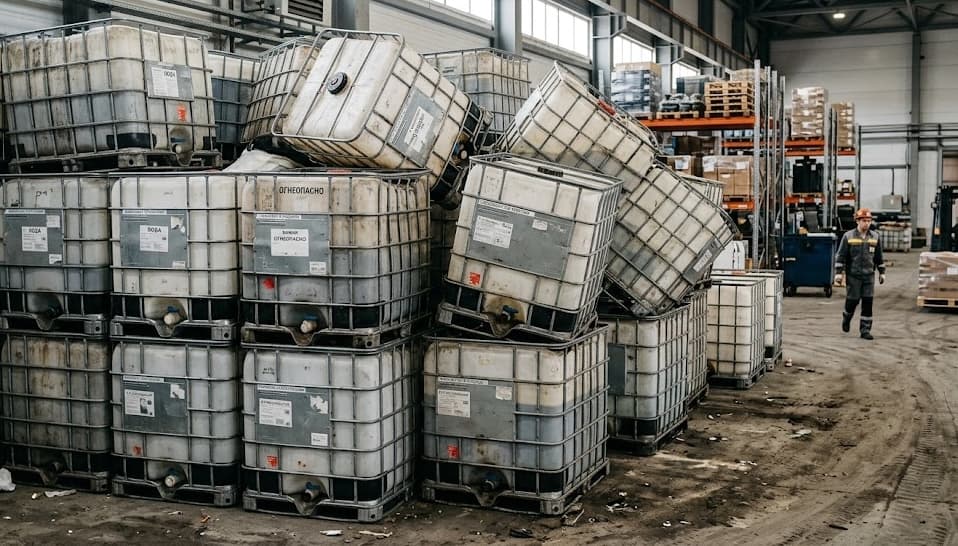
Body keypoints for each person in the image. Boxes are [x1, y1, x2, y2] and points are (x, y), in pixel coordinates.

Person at [834, 208, 886, 340]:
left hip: (869, 276)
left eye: (868, 221)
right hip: (853, 276)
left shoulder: (875, 237)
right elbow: (841, 256)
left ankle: (865, 330)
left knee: (868, 303)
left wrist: (882, 272)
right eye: (864, 221)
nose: (866, 224)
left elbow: (879, 257)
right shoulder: (848, 236)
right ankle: (847, 317)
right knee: (853, 300)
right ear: (857, 221)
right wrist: (838, 273)